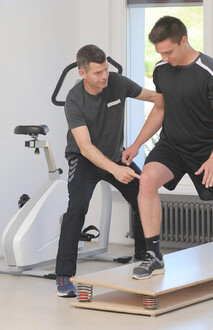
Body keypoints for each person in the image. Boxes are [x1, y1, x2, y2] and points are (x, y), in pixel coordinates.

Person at [122, 16, 213, 280]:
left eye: (168, 51)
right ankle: (154, 255)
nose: (164, 58)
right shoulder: (161, 70)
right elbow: (160, 109)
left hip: (205, 152)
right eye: (160, 53)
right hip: (172, 146)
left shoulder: (209, 71)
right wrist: (137, 144)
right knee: (146, 180)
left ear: (183, 41)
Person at [55, 44, 155, 296]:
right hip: (84, 160)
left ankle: (144, 258)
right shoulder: (75, 99)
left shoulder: (118, 83)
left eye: (106, 70)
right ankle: (64, 276)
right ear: (82, 73)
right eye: (98, 72)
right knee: (77, 207)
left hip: (115, 155)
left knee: (144, 194)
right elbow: (86, 147)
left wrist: (184, 94)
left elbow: (155, 97)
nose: (104, 77)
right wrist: (115, 169)